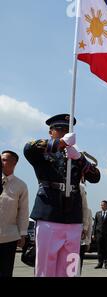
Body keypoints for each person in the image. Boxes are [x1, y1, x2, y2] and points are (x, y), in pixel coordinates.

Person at [24, 114, 100, 277]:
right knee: (46, 267)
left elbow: (95, 177)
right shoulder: (43, 153)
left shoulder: (76, 156)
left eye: (67, 130)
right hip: (49, 214)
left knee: (70, 268)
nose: (64, 132)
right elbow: (28, 148)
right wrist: (61, 143)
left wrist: (80, 159)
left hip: (72, 217)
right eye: (60, 129)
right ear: (50, 132)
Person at [0, 150, 29, 277]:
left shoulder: (20, 185)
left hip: (9, 237)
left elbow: (23, 212)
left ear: (14, 163)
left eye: (4, 160)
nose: (1, 162)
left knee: (6, 271)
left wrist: (22, 234)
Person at [93, 200, 107, 269]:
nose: (102, 206)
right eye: (101, 205)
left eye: (103, 205)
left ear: (106, 205)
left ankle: (106, 264)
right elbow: (95, 225)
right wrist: (93, 234)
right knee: (99, 249)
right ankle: (100, 263)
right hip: (99, 235)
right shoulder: (97, 213)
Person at [79, 183, 92, 275]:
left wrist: (88, 242)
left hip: (82, 241)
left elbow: (90, 227)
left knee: (79, 261)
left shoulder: (88, 211)